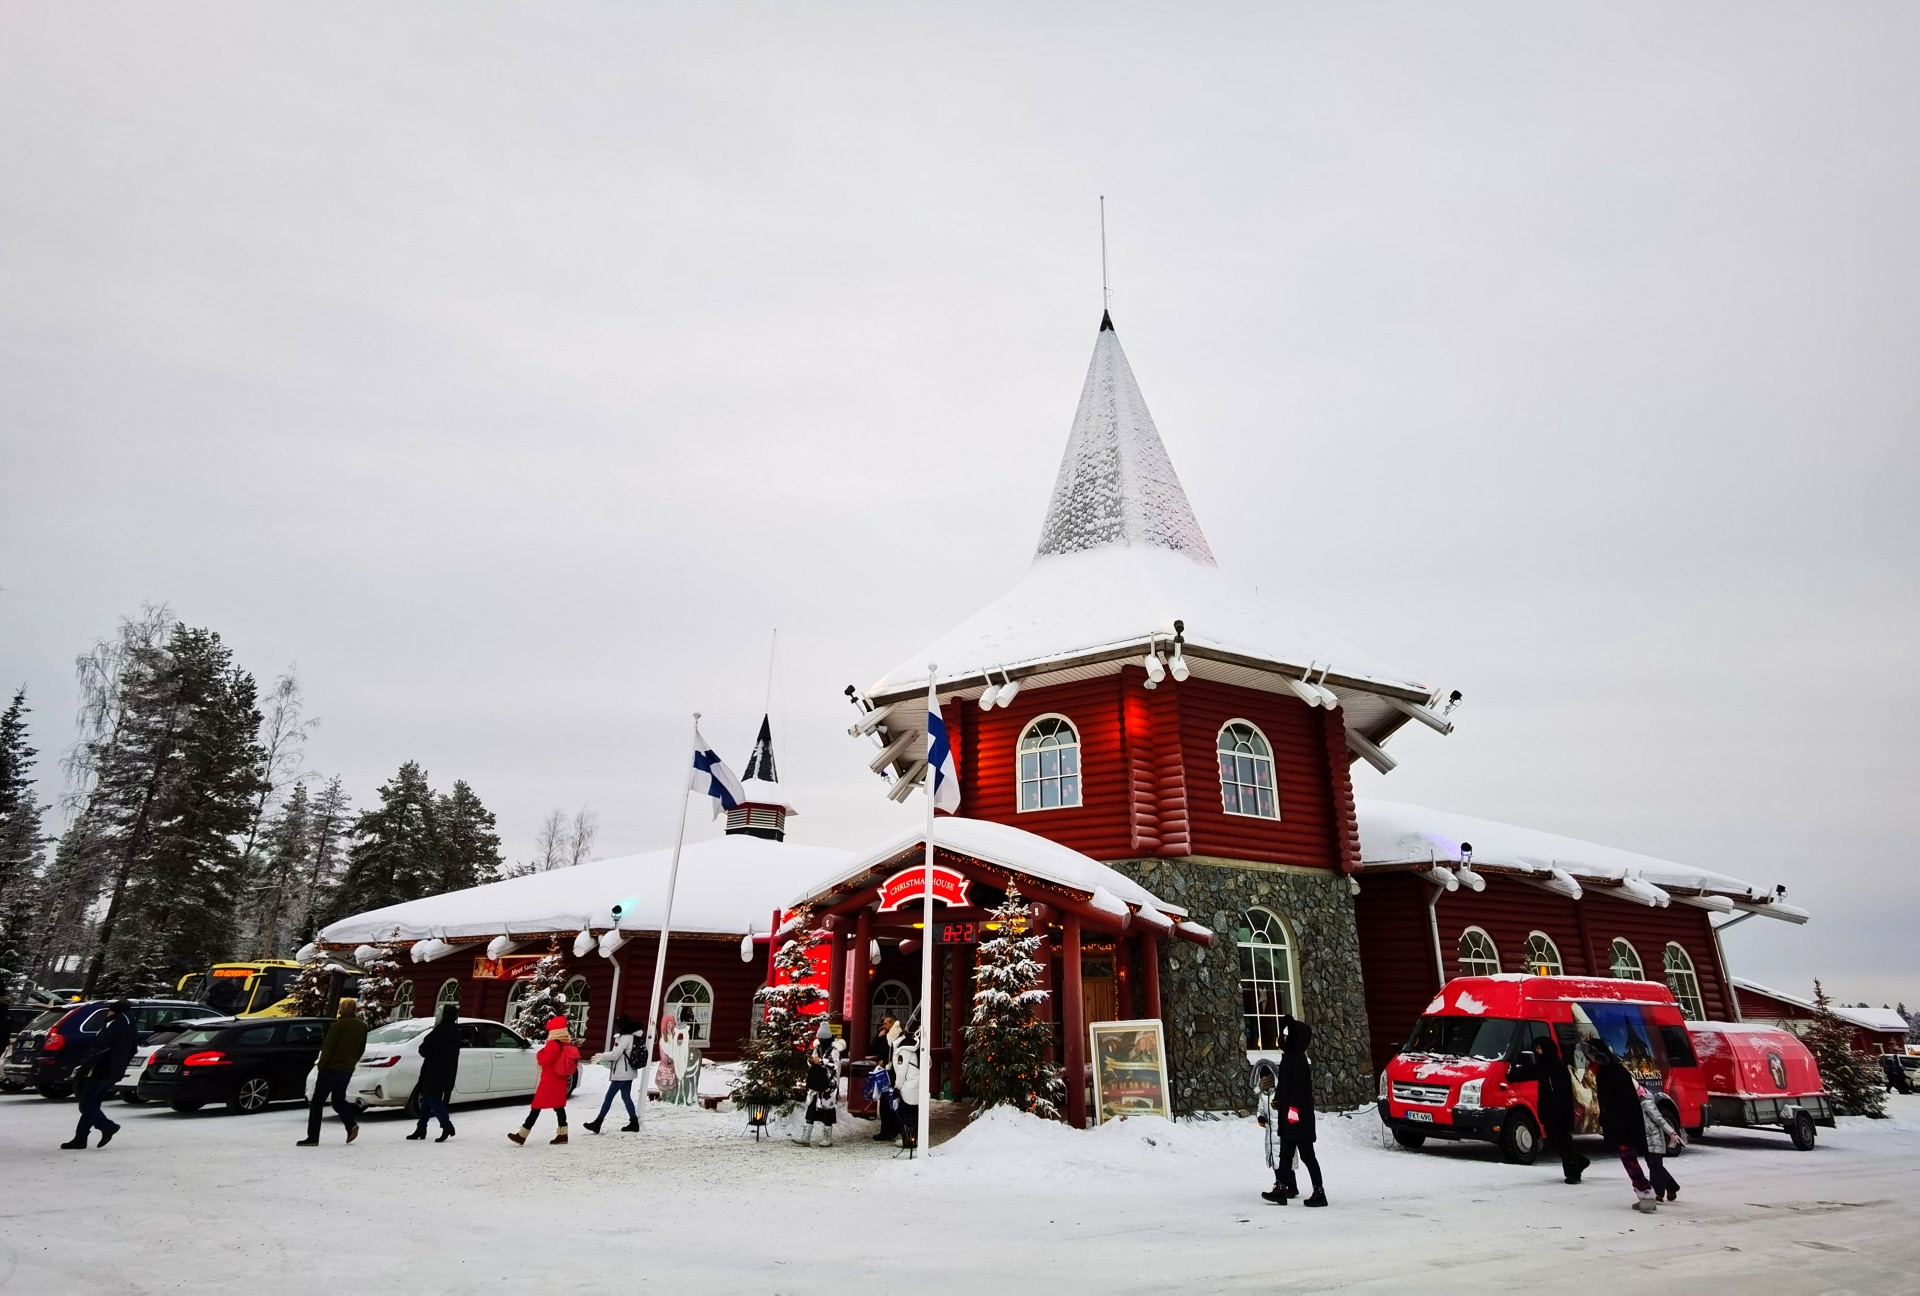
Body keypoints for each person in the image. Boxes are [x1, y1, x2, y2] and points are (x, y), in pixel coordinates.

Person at [1592, 1038, 1680, 1211]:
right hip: (1624, 1126)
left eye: (1591, 1060)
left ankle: (1649, 1194)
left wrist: (1671, 1132)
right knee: (1636, 1161)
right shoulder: (1605, 1075)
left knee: (1641, 1162)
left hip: (1628, 1127)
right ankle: (1651, 1192)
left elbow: (1627, 1105)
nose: (1589, 1066)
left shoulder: (1616, 1074)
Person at [1262, 1016, 1326, 1206]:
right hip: (1288, 1119)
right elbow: (1285, 1086)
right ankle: (1280, 1188)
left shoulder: (1298, 1059)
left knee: (1307, 1155)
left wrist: (1293, 1109)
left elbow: (1299, 1087)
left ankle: (1319, 1192)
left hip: (1299, 1119)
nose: (1284, 1038)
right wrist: (1277, 1099)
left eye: (1288, 1034)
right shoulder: (1288, 1058)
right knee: (1285, 1156)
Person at [61, 999, 135, 1150]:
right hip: (115, 1070)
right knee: (93, 1104)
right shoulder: (131, 1026)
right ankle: (80, 1138)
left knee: (86, 1104)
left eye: (109, 1010)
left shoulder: (113, 1024)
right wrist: (121, 1067)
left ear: (114, 1011)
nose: (107, 1012)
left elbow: (100, 1048)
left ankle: (107, 1126)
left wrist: (84, 1069)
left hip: (102, 1068)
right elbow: (133, 1049)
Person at [299, 998, 367, 1147]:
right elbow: (361, 1048)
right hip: (347, 1069)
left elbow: (328, 1047)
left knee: (317, 1102)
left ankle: (312, 1137)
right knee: (338, 1099)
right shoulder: (362, 1026)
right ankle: (351, 1125)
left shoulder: (337, 1026)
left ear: (342, 1009)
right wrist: (351, 1062)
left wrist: (321, 1065)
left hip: (331, 1068)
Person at [510, 1015, 580, 1146]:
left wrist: (539, 1053)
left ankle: (522, 1135)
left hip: (549, 1080)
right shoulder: (565, 1044)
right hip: (560, 1080)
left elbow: (545, 1061)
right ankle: (562, 1134)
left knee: (536, 1106)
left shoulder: (552, 1044)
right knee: (559, 1106)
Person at [1534, 1033, 1589, 1184]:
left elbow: (1562, 1093)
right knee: (1555, 1139)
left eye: (1539, 1048)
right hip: (1549, 1110)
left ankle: (1573, 1174)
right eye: (1536, 1048)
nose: (1538, 1051)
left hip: (1560, 1111)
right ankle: (1579, 1161)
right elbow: (1530, 1072)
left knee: (1563, 1141)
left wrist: (1560, 1112)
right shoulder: (1543, 1065)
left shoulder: (1557, 1066)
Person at [407, 1005, 459, 1142]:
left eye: (440, 1014)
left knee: (432, 1098)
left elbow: (425, 1049)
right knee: (427, 1099)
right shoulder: (454, 1030)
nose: (437, 1016)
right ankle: (421, 1128)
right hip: (445, 1070)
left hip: (435, 1070)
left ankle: (447, 1125)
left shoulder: (441, 1031)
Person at [584, 1014, 642, 1134]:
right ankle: (634, 1122)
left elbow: (615, 1054)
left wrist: (602, 1055)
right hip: (629, 1072)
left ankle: (598, 1123)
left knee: (609, 1097)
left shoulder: (623, 1037)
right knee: (626, 1097)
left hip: (621, 1073)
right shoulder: (633, 1036)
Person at [794, 1022, 841, 1147]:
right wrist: (811, 1061)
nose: (819, 1039)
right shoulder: (817, 1048)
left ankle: (827, 1137)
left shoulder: (834, 1050)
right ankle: (806, 1136)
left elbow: (835, 1064)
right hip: (817, 1083)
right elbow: (812, 1062)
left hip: (828, 1084)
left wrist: (820, 1061)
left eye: (821, 1037)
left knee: (828, 1109)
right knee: (812, 1107)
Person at [869, 1015, 900, 1142]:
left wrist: (886, 1062)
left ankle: (893, 1130)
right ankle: (884, 1131)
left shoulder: (897, 1036)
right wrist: (878, 1036)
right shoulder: (884, 1036)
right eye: (884, 1022)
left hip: (892, 1072)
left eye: (887, 1023)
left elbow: (897, 1055)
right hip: (882, 1072)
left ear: (893, 1023)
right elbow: (873, 1049)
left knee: (892, 1102)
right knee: (883, 1104)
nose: (884, 1025)